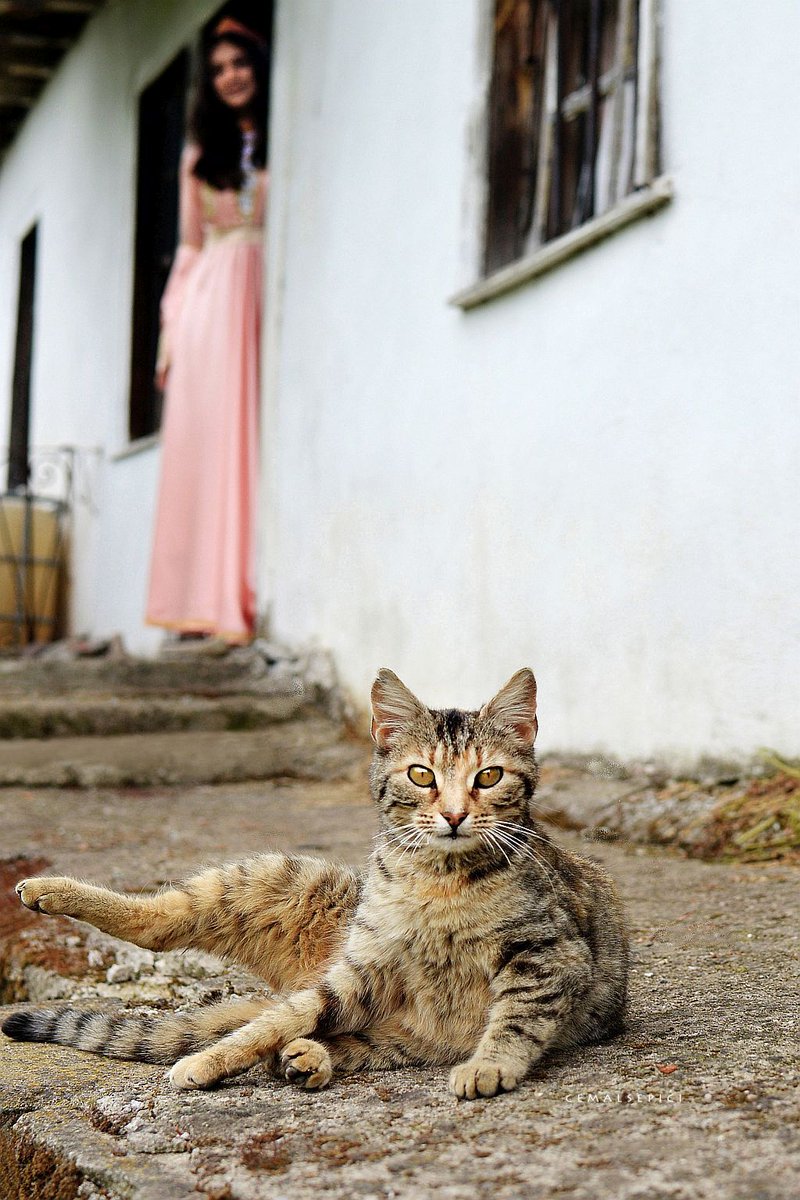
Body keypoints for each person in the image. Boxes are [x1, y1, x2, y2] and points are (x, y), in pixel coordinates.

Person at [146, 17, 268, 646]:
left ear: (259, 63)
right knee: (212, 441)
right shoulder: (200, 158)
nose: (230, 78)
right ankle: (205, 600)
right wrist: (172, 330)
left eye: (238, 63)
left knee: (252, 437)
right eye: (218, 69)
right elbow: (189, 248)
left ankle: (243, 585)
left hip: (263, 285)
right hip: (212, 303)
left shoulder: (281, 138)